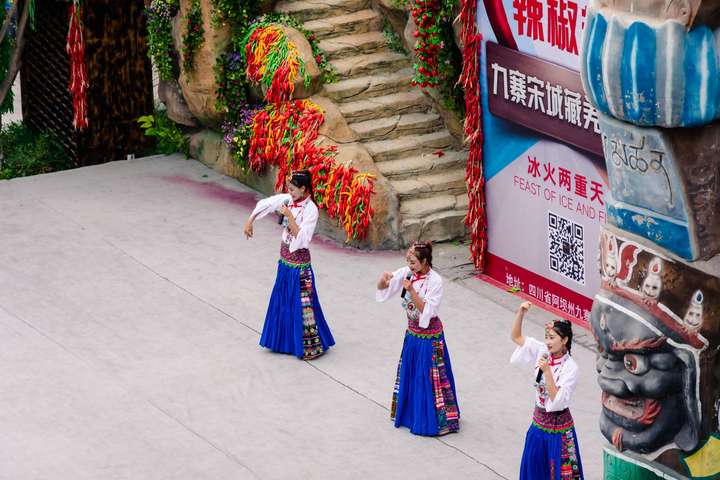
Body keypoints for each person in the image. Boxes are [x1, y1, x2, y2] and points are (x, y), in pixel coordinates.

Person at [243, 170, 334, 360]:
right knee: (283, 298)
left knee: (303, 303)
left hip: (299, 264)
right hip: (284, 259)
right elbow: (266, 204)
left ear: (303, 189)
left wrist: (289, 216)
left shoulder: (311, 210)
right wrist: (250, 221)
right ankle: (282, 341)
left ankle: (310, 347)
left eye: (293, 190)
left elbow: (303, 238)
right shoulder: (289, 200)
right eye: (289, 189)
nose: (290, 193)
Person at [375, 242, 459, 436]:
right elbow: (383, 290)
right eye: (408, 261)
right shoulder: (407, 273)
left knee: (430, 378)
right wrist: (383, 279)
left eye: (413, 262)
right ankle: (412, 415)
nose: (409, 265)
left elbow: (426, 311)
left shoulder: (435, 281)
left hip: (430, 337)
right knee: (413, 375)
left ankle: (438, 421)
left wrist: (411, 291)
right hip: (412, 333)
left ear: (424, 261)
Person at [510, 301, 584, 479]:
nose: (548, 342)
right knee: (534, 470)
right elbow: (516, 337)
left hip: (559, 430)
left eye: (552, 338)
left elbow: (557, 401)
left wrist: (548, 372)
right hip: (538, 423)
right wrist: (521, 312)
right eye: (547, 337)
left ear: (565, 340)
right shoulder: (542, 350)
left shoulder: (570, 368)